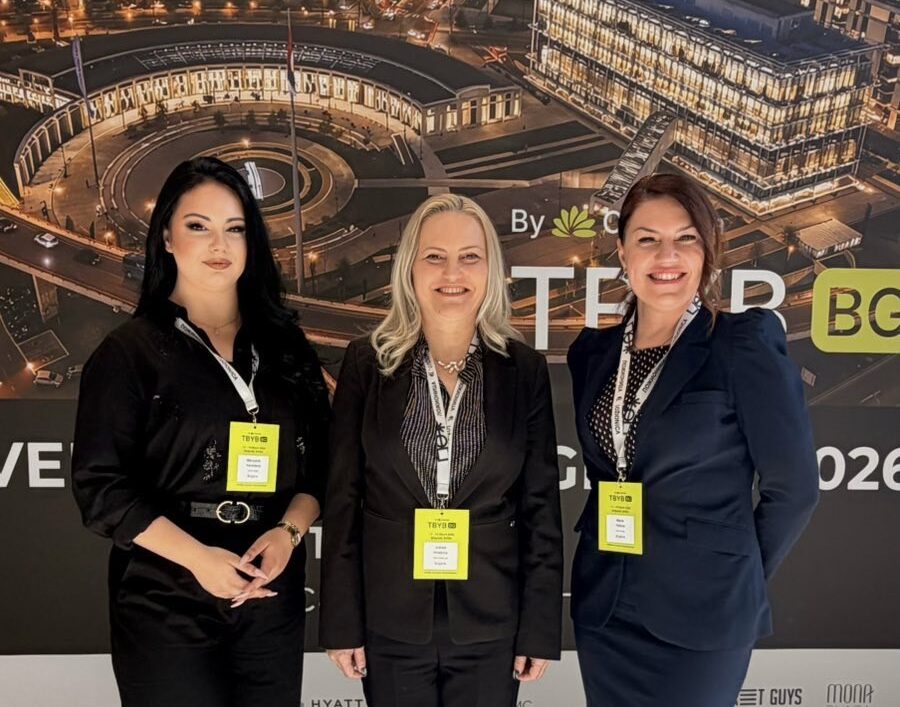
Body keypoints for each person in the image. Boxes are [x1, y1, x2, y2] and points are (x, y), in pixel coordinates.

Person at [71, 157, 329, 707]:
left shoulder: (287, 348)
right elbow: (101, 489)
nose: (219, 244)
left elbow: (323, 470)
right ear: (166, 237)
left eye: (235, 228)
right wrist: (199, 559)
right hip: (165, 594)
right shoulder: (129, 353)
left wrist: (288, 533)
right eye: (198, 225)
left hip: (269, 588)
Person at [568, 174, 819, 707]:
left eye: (686, 238)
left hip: (704, 615)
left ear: (708, 252)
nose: (668, 256)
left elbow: (794, 489)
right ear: (623, 253)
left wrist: (731, 574)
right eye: (648, 239)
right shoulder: (591, 353)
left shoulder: (741, 344)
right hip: (605, 608)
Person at [320, 194, 563, 707]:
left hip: (491, 621)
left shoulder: (523, 370)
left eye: (470, 256)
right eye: (435, 256)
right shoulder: (367, 363)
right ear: (410, 266)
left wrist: (540, 628)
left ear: (490, 269)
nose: (453, 272)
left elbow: (541, 507)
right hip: (389, 618)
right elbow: (343, 499)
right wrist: (341, 621)